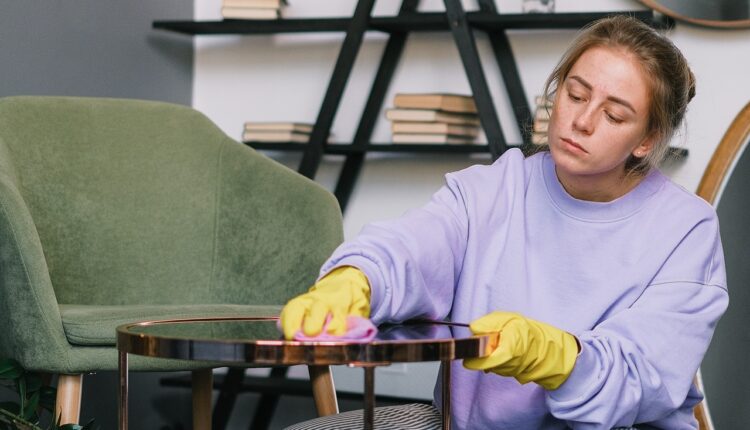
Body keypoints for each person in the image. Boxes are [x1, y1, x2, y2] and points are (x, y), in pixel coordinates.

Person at [281, 15, 728, 429]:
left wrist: (557, 357)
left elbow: (646, 375)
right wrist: (356, 279)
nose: (583, 120)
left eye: (613, 115)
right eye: (575, 94)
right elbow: (413, 247)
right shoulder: (495, 188)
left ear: (647, 140)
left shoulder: (686, 228)